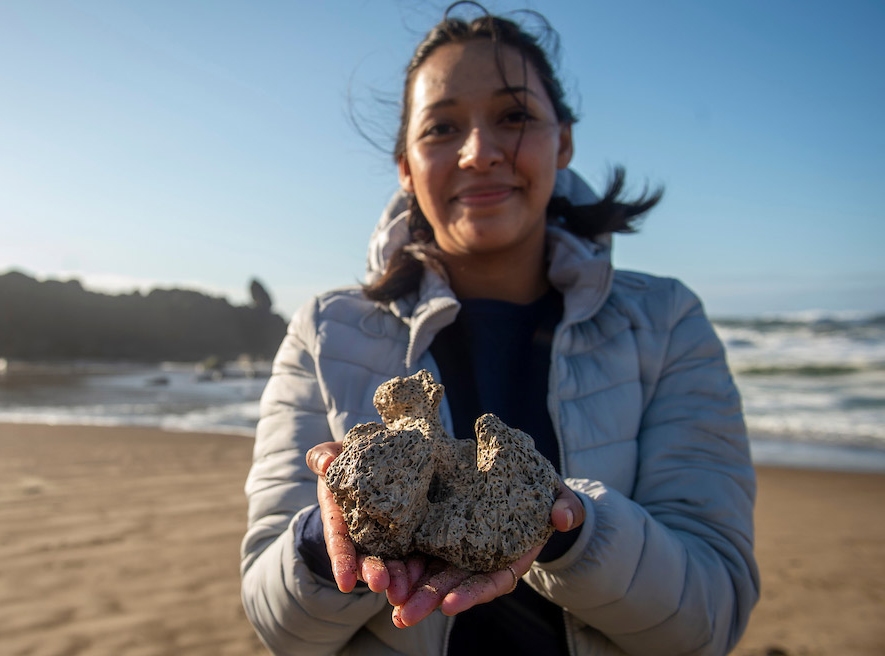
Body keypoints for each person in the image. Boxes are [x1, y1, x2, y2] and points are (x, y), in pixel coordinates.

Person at [240, 5, 758, 656]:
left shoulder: (665, 323)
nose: (479, 153)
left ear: (562, 141)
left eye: (514, 117)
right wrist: (328, 538)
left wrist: (568, 527)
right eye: (442, 127)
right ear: (405, 164)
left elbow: (709, 619)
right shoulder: (327, 331)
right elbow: (275, 620)